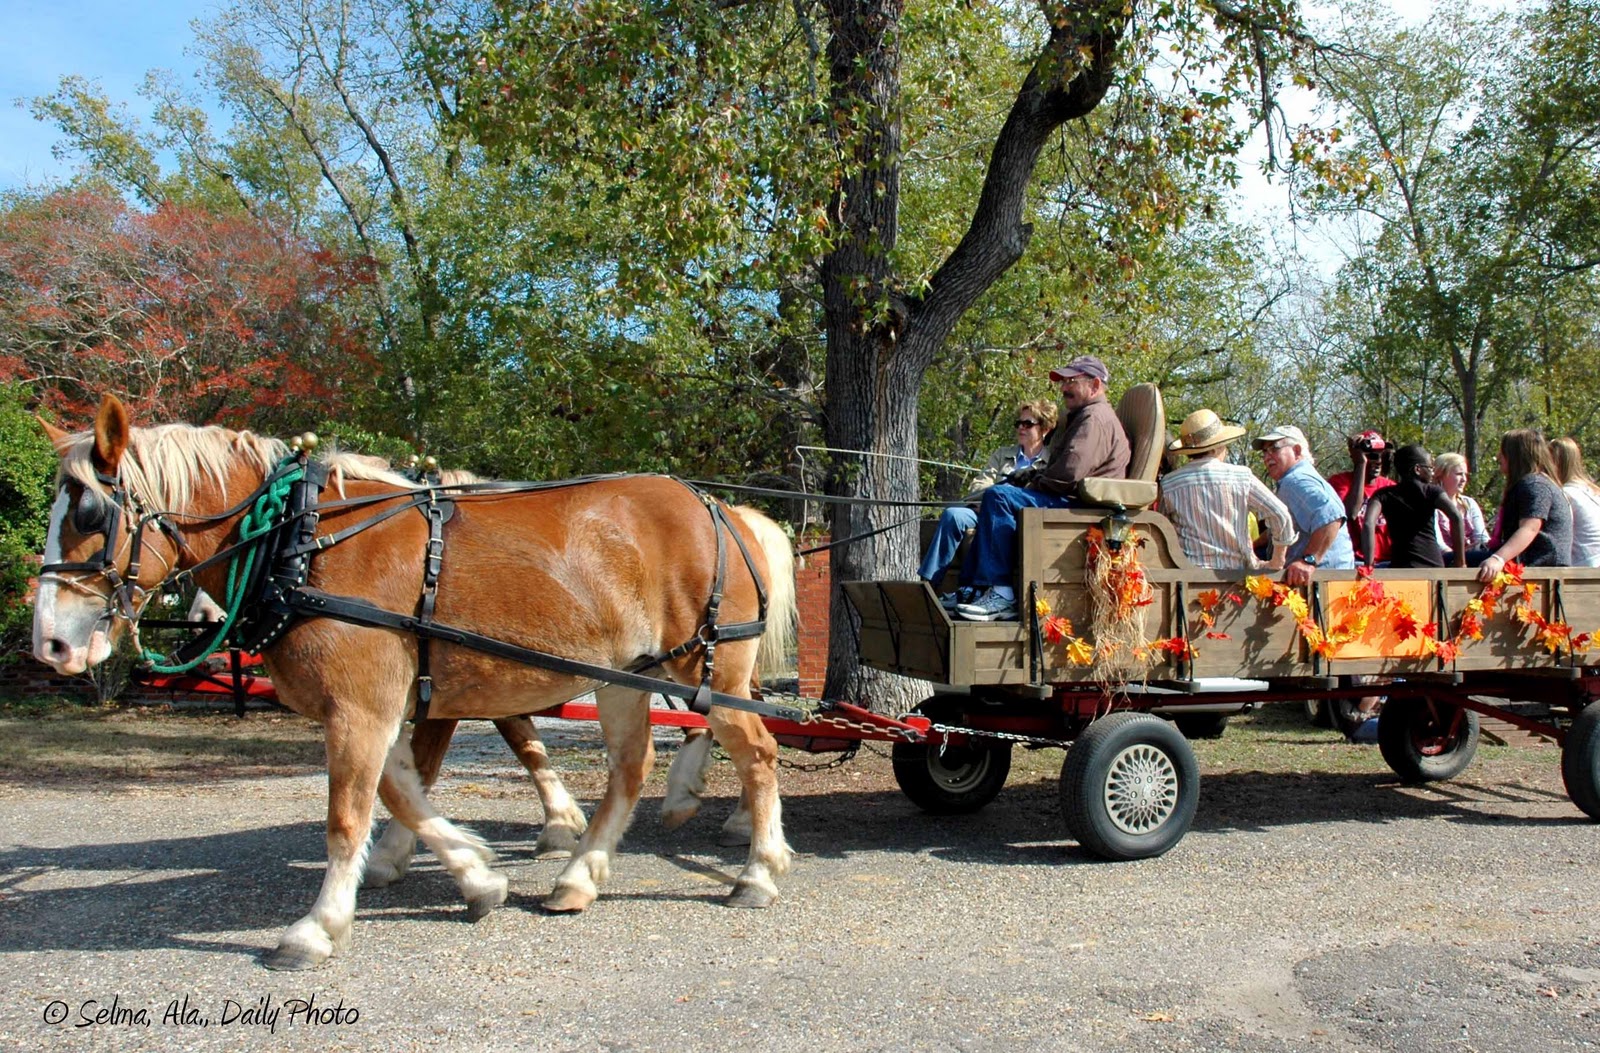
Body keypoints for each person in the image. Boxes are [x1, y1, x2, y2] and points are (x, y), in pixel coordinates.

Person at [955, 356, 1131, 621]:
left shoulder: (1094, 419)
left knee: (999, 497)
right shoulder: (1083, 416)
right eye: (1063, 382)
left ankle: (1002, 595)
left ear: (1095, 384)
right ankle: (972, 590)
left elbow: (1068, 474)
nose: (1064, 388)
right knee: (999, 494)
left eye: (1072, 381)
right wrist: (1030, 474)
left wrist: (1032, 479)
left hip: (1082, 511)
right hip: (1074, 502)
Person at [918, 399, 1059, 605]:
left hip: (1013, 517)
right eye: (1018, 423)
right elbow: (979, 484)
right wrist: (987, 499)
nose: (1021, 427)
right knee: (952, 514)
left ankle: (973, 589)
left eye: (1027, 424)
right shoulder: (1002, 454)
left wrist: (1002, 497)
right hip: (982, 508)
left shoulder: (1051, 460)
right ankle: (928, 584)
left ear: (1045, 429)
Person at [1158, 409, 1295, 570]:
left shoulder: (1169, 483)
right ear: (1217, 447)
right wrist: (1277, 560)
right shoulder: (1241, 476)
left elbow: (1160, 530)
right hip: (1238, 575)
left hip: (1190, 576)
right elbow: (1280, 514)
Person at [1252, 425, 1355, 586]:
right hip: (1326, 581)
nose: (1267, 457)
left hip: (1323, 583)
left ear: (1297, 450)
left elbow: (1332, 517)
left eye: (1274, 449)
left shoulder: (1296, 481)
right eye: (1264, 452)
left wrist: (1309, 560)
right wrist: (1255, 544)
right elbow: (1289, 525)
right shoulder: (1297, 479)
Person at [1470, 429, 1572, 582]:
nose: (1498, 457)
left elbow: (1530, 528)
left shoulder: (1535, 484)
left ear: (1515, 455)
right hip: (1531, 562)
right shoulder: (1532, 482)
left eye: (1503, 452)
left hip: (1542, 566)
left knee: (1449, 561)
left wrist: (1498, 559)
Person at [1360, 445, 1464, 569]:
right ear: (1418, 469)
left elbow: (1368, 524)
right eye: (1430, 468)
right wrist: (1460, 562)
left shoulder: (1383, 495)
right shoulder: (1432, 491)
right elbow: (1456, 517)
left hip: (1401, 567)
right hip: (1433, 567)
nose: (1432, 473)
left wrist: (1369, 565)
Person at [1327, 430, 1395, 564]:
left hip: (1387, 561)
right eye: (1371, 455)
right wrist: (1361, 464)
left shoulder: (1390, 486)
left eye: (1381, 454)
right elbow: (1351, 513)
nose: (1378, 460)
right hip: (1355, 560)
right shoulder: (1339, 482)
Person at [1548, 437, 1600, 567]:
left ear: (1555, 463)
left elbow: (1562, 535)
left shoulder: (1566, 494)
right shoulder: (1592, 490)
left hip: (1586, 566)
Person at [1432, 452, 1489, 556]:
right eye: (1459, 474)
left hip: (1472, 557)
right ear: (1441, 475)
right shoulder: (1432, 506)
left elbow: (1482, 537)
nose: (1464, 479)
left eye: (1465, 474)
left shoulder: (1469, 503)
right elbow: (1438, 543)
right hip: (1443, 560)